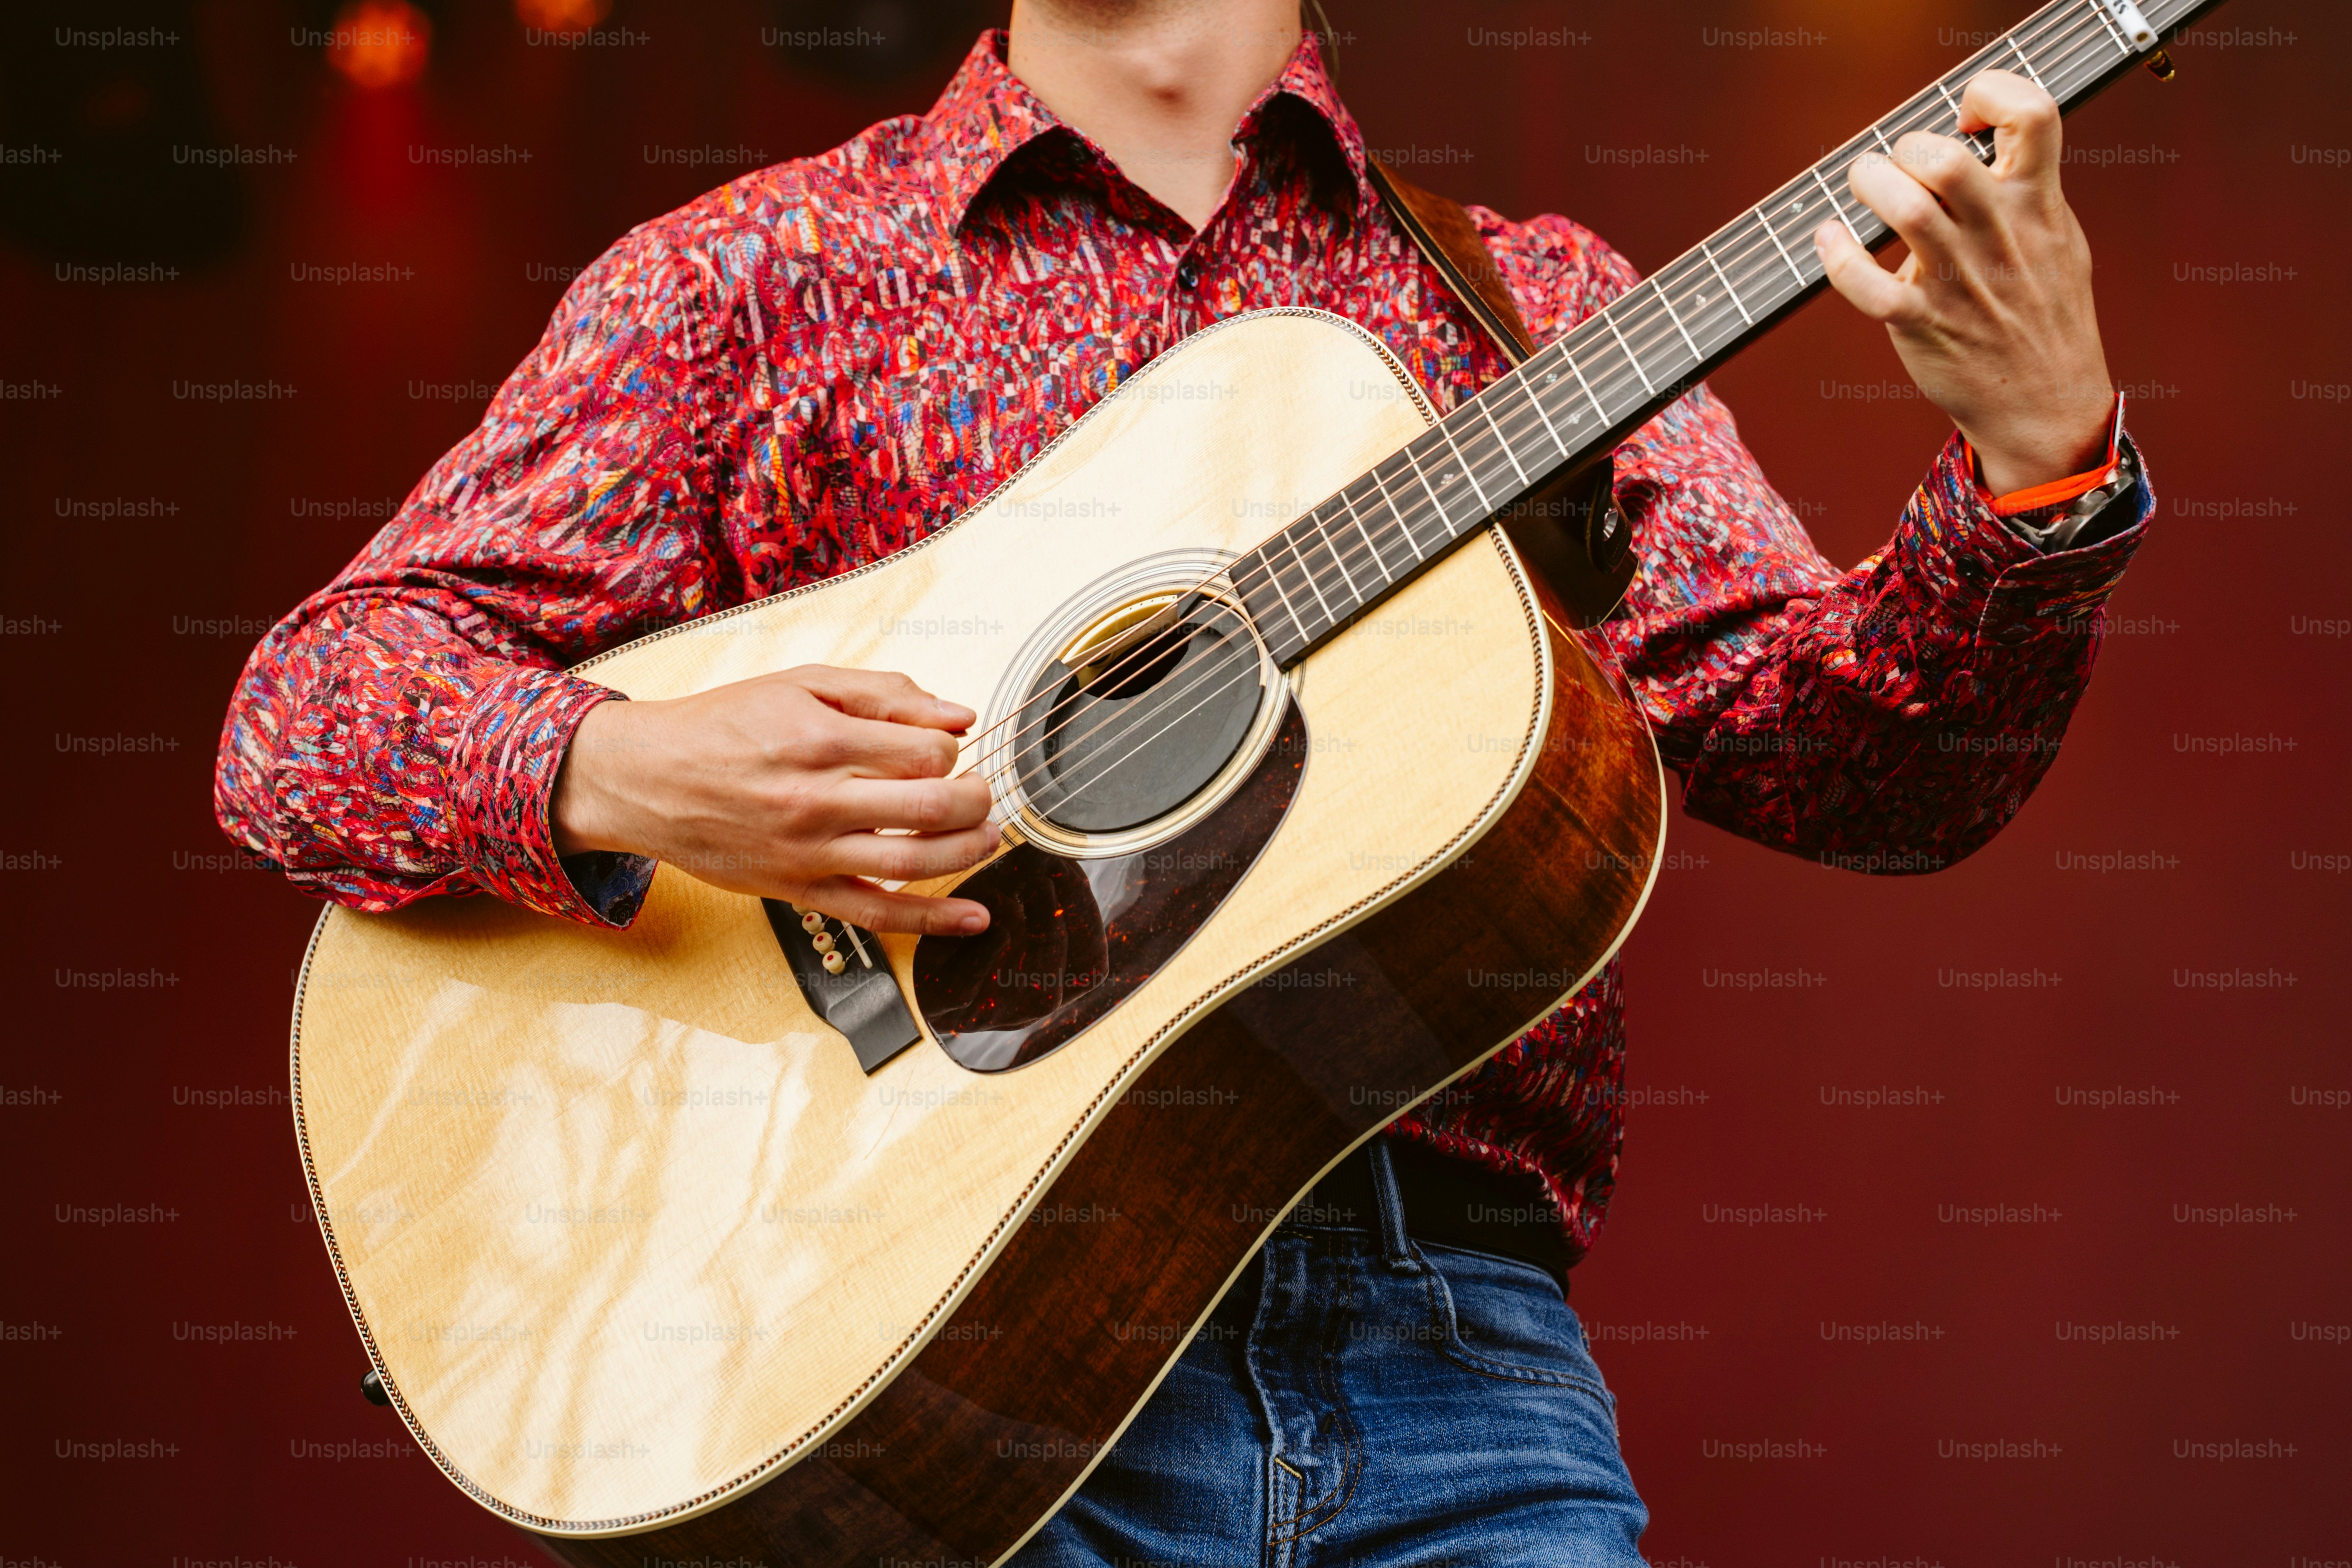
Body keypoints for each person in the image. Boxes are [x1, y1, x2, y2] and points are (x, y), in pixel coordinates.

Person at [214, 1, 2153, 1561]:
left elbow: (1866, 771)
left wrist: (2040, 466)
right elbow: (303, 717)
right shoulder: (759, 276)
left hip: (1453, 1368)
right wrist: (625, 766)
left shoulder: (1525, 304)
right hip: (923, 1357)